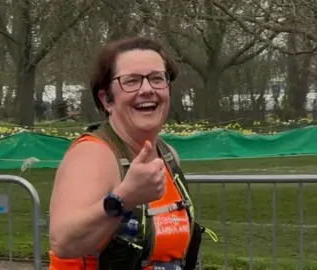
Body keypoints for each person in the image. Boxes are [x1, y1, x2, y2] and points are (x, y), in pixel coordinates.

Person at [48, 36, 216, 270]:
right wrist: (125, 197)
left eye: (157, 79)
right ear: (107, 99)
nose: (147, 89)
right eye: (132, 81)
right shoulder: (94, 155)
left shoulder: (168, 155)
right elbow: (63, 243)